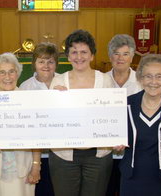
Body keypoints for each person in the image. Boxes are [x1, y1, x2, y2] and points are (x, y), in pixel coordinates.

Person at [106, 34, 161, 196]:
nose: (153, 81)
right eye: (148, 76)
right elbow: (120, 133)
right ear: (140, 78)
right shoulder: (127, 103)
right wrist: (116, 141)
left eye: (159, 76)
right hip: (132, 176)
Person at [49, 29, 113, 196]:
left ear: (92, 55)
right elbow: (49, 118)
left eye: (84, 52)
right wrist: (54, 99)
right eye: (74, 52)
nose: (79, 57)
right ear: (68, 56)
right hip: (64, 155)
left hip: (98, 155)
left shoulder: (105, 80)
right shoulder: (58, 81)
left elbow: (114, 116)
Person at [0, 52, 41, 196]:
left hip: (23, 168)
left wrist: (36, 166)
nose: (7, 77)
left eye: (11, 71)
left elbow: (37, 136)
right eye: (2, 72)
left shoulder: (29, 99)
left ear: (18, 73)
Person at [19, 42, 58, 196]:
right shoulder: (25, 87)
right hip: (35, 156)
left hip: (62, 154)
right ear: (34, 64)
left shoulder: (65, 82)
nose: (46, 65)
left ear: (56, 64)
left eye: (50, 61)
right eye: (41, 61)